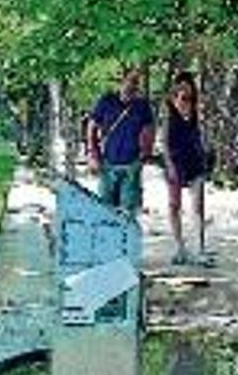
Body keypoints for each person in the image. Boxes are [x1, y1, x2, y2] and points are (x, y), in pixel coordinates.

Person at [87, 66, 155, 215]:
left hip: (131, 165)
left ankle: (126, 238)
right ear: (122, 81)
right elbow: (92, 127)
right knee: (105, 211)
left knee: (128, 212)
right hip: (108, 163)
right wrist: (93, 154)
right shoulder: (106, 101)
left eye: (136, 82)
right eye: (130, 80)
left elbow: (149, 130)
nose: (133, 85)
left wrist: (145, 153)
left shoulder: (142, 106)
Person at [162, 71, 208, 265]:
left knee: (197, 206)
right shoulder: (169, 116)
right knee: (174, 207)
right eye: (180, 95)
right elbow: (164, 144)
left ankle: (199, 248)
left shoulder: (197, 113)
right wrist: (170, 166)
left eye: (188, 96)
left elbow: (202, 135)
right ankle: (180, 247)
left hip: (195, 163)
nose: (184, 99)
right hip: (175, 163)